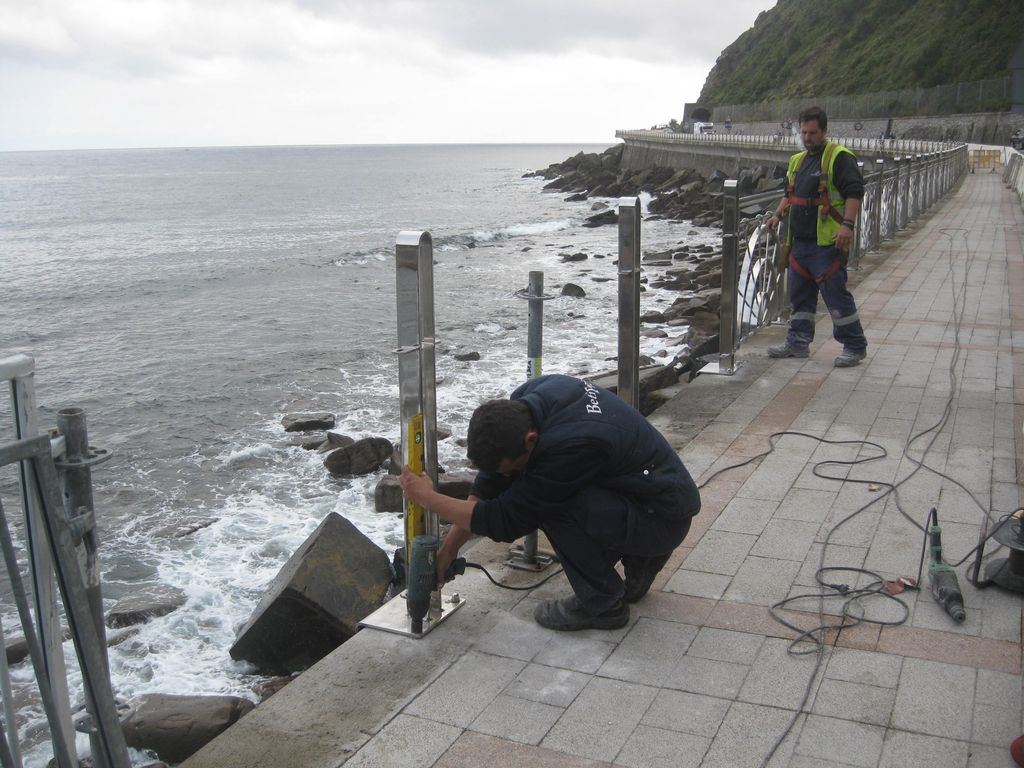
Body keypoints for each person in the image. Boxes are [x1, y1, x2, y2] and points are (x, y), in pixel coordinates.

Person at [399, 374, 701, 632]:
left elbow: (508, 519)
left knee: (552, 505)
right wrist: (448, 549)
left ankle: (602, 603)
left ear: (530, 439)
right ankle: (641, 561)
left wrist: (428, 498)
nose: (507, 474)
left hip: (661, 518)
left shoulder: (571, 445)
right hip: (652, 499)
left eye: (509, 466)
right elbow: (492, 483)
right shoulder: (528, 400)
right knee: (541, 489)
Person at [766, 105, 868, 367]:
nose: (808, 137)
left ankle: (855, 345)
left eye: (813, 132)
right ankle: (798, 341)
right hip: (799, 242)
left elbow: (855, 191)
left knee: (835, 295)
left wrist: (847, 225)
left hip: (827, 243)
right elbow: (789, 194)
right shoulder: (797, 161)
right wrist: (777, 214)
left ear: (825, 131)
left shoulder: (839, 157)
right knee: (799, 296)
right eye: (804, 132)